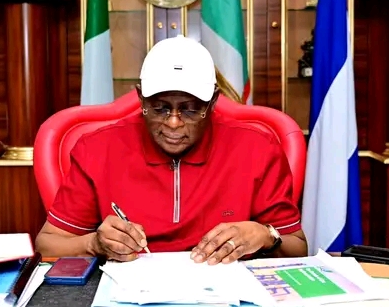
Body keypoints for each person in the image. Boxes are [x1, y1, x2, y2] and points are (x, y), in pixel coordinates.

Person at [35, 36, 307, 265]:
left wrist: (265, 235)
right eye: (159, 108)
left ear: (212, 102)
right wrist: (93, 244)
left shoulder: (257, 148)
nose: (173, 123)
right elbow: (47, 245)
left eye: (190, 109)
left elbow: (297, 247)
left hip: (226, 296)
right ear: (141, 98)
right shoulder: (97, 148)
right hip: (127, 296)